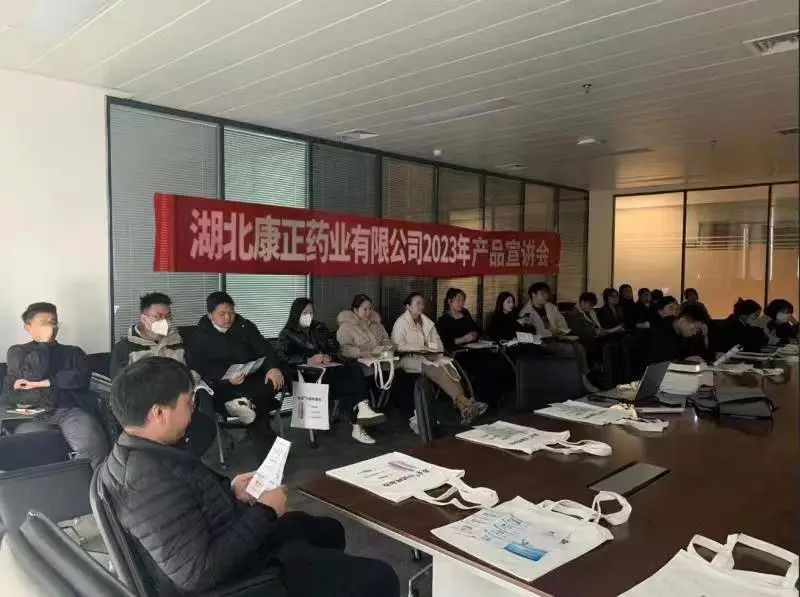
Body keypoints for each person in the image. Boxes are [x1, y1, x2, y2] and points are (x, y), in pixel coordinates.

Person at [100, 357, 398, 597]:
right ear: (159, 413)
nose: (193, 411)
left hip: (229, 532)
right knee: (381, 578)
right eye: (188, 403)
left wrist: (231, 491)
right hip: (243, 579)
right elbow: (199, 573)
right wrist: (265, 511)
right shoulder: (146, 481)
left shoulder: (146, 450)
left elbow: (187, 503)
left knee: (328, 530)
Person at [2, 302, 109, 468]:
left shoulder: (73, 352)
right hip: (32, 413)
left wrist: (47, 382)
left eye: (53, 323)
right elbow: (31, 375)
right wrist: (44, 344)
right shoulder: (17, 352)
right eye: (43, 324)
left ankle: (82, 482)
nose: (50, 328)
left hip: (70, 410)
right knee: (35, 448)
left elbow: (80, 379)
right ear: (28, 328)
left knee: (94, 446)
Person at [110, 292, 216, 457]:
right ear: (144, 319)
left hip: (178, 404)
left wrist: (190, 389)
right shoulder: (125, 348)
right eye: (159, 316)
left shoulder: (179, 341)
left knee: (205, 428)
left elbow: (194, 369)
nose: (165, 321)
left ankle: (185, 463)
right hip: (146, 413)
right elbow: (121, 388)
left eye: (168, 316)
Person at [186, 292, 286, 453]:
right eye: (222, 314)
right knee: (259, 411)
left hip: (249, 379)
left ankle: (243, 405)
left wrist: (272, 367)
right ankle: (271, 455)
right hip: (221, 386)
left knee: (271, 383)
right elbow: (197, 368)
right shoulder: (200, 335)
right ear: (210, 315)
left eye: (231, 312)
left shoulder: (245, 326)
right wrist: (225, 379)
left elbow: (265, 348)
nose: (228, 318)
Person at [279, 298, 383, 445]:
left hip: (328, 370)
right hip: (306, 375)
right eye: (305, 312)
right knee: (353, 385)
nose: (308, 315)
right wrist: (307, 360)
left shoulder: (319, 327)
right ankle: (358, 419)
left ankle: (362, 408)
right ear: (296, 313)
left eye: (311, 312)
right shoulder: (287, 333)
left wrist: (329, 356)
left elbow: (335, 347)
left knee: (354, 368)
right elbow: (281, 357)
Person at [391, 292, 486, 424]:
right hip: (408, 358)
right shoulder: (401, 322)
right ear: (408, 306)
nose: (421, 306)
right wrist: (421, 348)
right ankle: (466, 403)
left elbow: (438, 343)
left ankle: (464, 408)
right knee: (436, 369)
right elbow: (397, 346)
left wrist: (434, 352)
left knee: (449, 367)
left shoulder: (427, 322)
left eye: (422, 303)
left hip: (428, 356)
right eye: (417, 303)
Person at [436, 288, 513, 408]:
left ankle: (497, 398)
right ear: (449, 301)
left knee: (499, 361)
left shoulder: (465, 314)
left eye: (463, 300)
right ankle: (483, 399)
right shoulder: (443, 320)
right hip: (459, 354)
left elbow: (477, 330)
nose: (461, 303)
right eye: (458, 300)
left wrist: (474, 334)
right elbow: (445, 342)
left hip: (475, 349)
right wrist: (463, 339)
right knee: (486, 367)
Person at [519, 283, 597, 392]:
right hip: (542, 343)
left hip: (558, 337)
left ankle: (584, 379)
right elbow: (531, 333)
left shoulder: (551, 307)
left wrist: (559, 331)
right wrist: (550, 333)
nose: (546, 296)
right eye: (542, 294)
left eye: (547, 293)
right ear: (533, 294)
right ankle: (574, 381)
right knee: (569, 349)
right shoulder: (525, 312)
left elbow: (562, 323)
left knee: (579, 348)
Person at [646, 297, 708, 364]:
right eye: (671, 308)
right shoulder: (660, 330)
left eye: (677, 309)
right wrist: (683, 361)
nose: (695, 332)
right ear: (682, 321)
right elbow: (659, 363)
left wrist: (705, 336)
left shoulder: (679, 330)